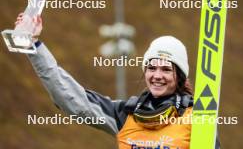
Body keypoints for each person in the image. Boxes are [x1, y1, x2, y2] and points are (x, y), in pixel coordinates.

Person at [15, 14, 220, 149]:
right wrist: (34, 46)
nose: (157, 75)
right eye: (151, 67)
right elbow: (72, 97)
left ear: (180, 77)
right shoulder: (125, 114)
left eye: (166, 69)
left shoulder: (197, 117)